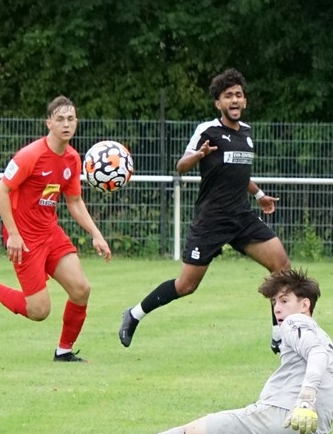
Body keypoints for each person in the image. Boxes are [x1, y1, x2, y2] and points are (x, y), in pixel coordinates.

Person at [71, 269, 333, 434]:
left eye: (284, 301)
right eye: (275, 303)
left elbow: (316, 355)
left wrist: (305, 401)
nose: (278, 309)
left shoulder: (297, 325)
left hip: (281, 420)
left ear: (304, 304)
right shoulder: (332, 346)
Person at [118, 68, 290, 349]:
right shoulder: (207, 131)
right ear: (218, 103)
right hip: (212, 220)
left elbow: (238, 173)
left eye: (238, 95)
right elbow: (180, 166)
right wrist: (198, 155)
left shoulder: (247, 134)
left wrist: (259, 195)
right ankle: (134, 314)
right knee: (186, 285)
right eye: (228, 96)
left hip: (241, 217)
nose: (234, 100)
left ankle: (279, 336)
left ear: (245, 101)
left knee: (281, 266)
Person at [0, 95, 111, 363]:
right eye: (60, 119)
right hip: (24, 238)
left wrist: (96, 234)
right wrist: (13, 234)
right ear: (49, 123)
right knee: (39, 310)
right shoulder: (30, 155)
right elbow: (0, 191)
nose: (66, 124)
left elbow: (74, 201)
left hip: (50, 233)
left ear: (76, 122)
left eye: (70, 119)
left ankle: (64, 352)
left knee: (81, 289)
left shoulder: (72, 158)